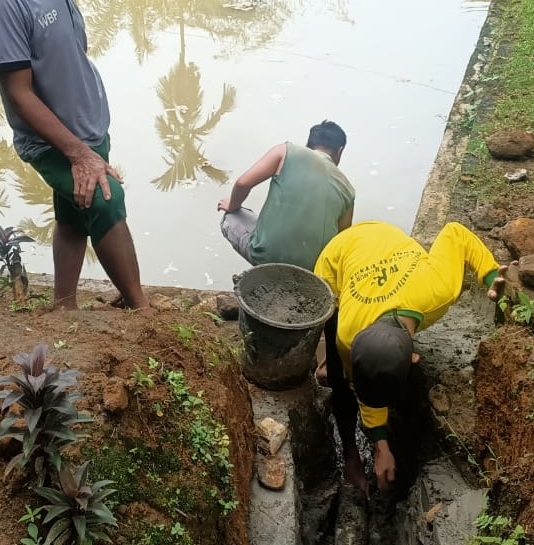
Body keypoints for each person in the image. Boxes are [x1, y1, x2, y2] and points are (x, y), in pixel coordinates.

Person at [0, 0, 149, 312]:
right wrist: (79, 154)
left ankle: (63, 306)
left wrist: (90, 142)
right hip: (54, 141)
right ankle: (142, 310)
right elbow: (20, 94)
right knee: (107, 202)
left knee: (74, 216)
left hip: (87, 128)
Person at [313, 220, 509, 494]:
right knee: (338, 375)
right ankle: (350, 459)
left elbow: (456, 233)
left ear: (416, 357)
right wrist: (381, 445)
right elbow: (359, 387)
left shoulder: (437, 291)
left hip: (385, 239)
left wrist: (489, 275)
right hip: (337, 259)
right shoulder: (346, 335)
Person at [217, 120, 354, 270]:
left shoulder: (286, 151)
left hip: (265, 257)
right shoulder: (348, 189)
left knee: (231, 217)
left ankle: (265, 270)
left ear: (308, 144)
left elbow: (243, 183)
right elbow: (342, 241)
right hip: (311, 272)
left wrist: (232, 206)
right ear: (340, 151)